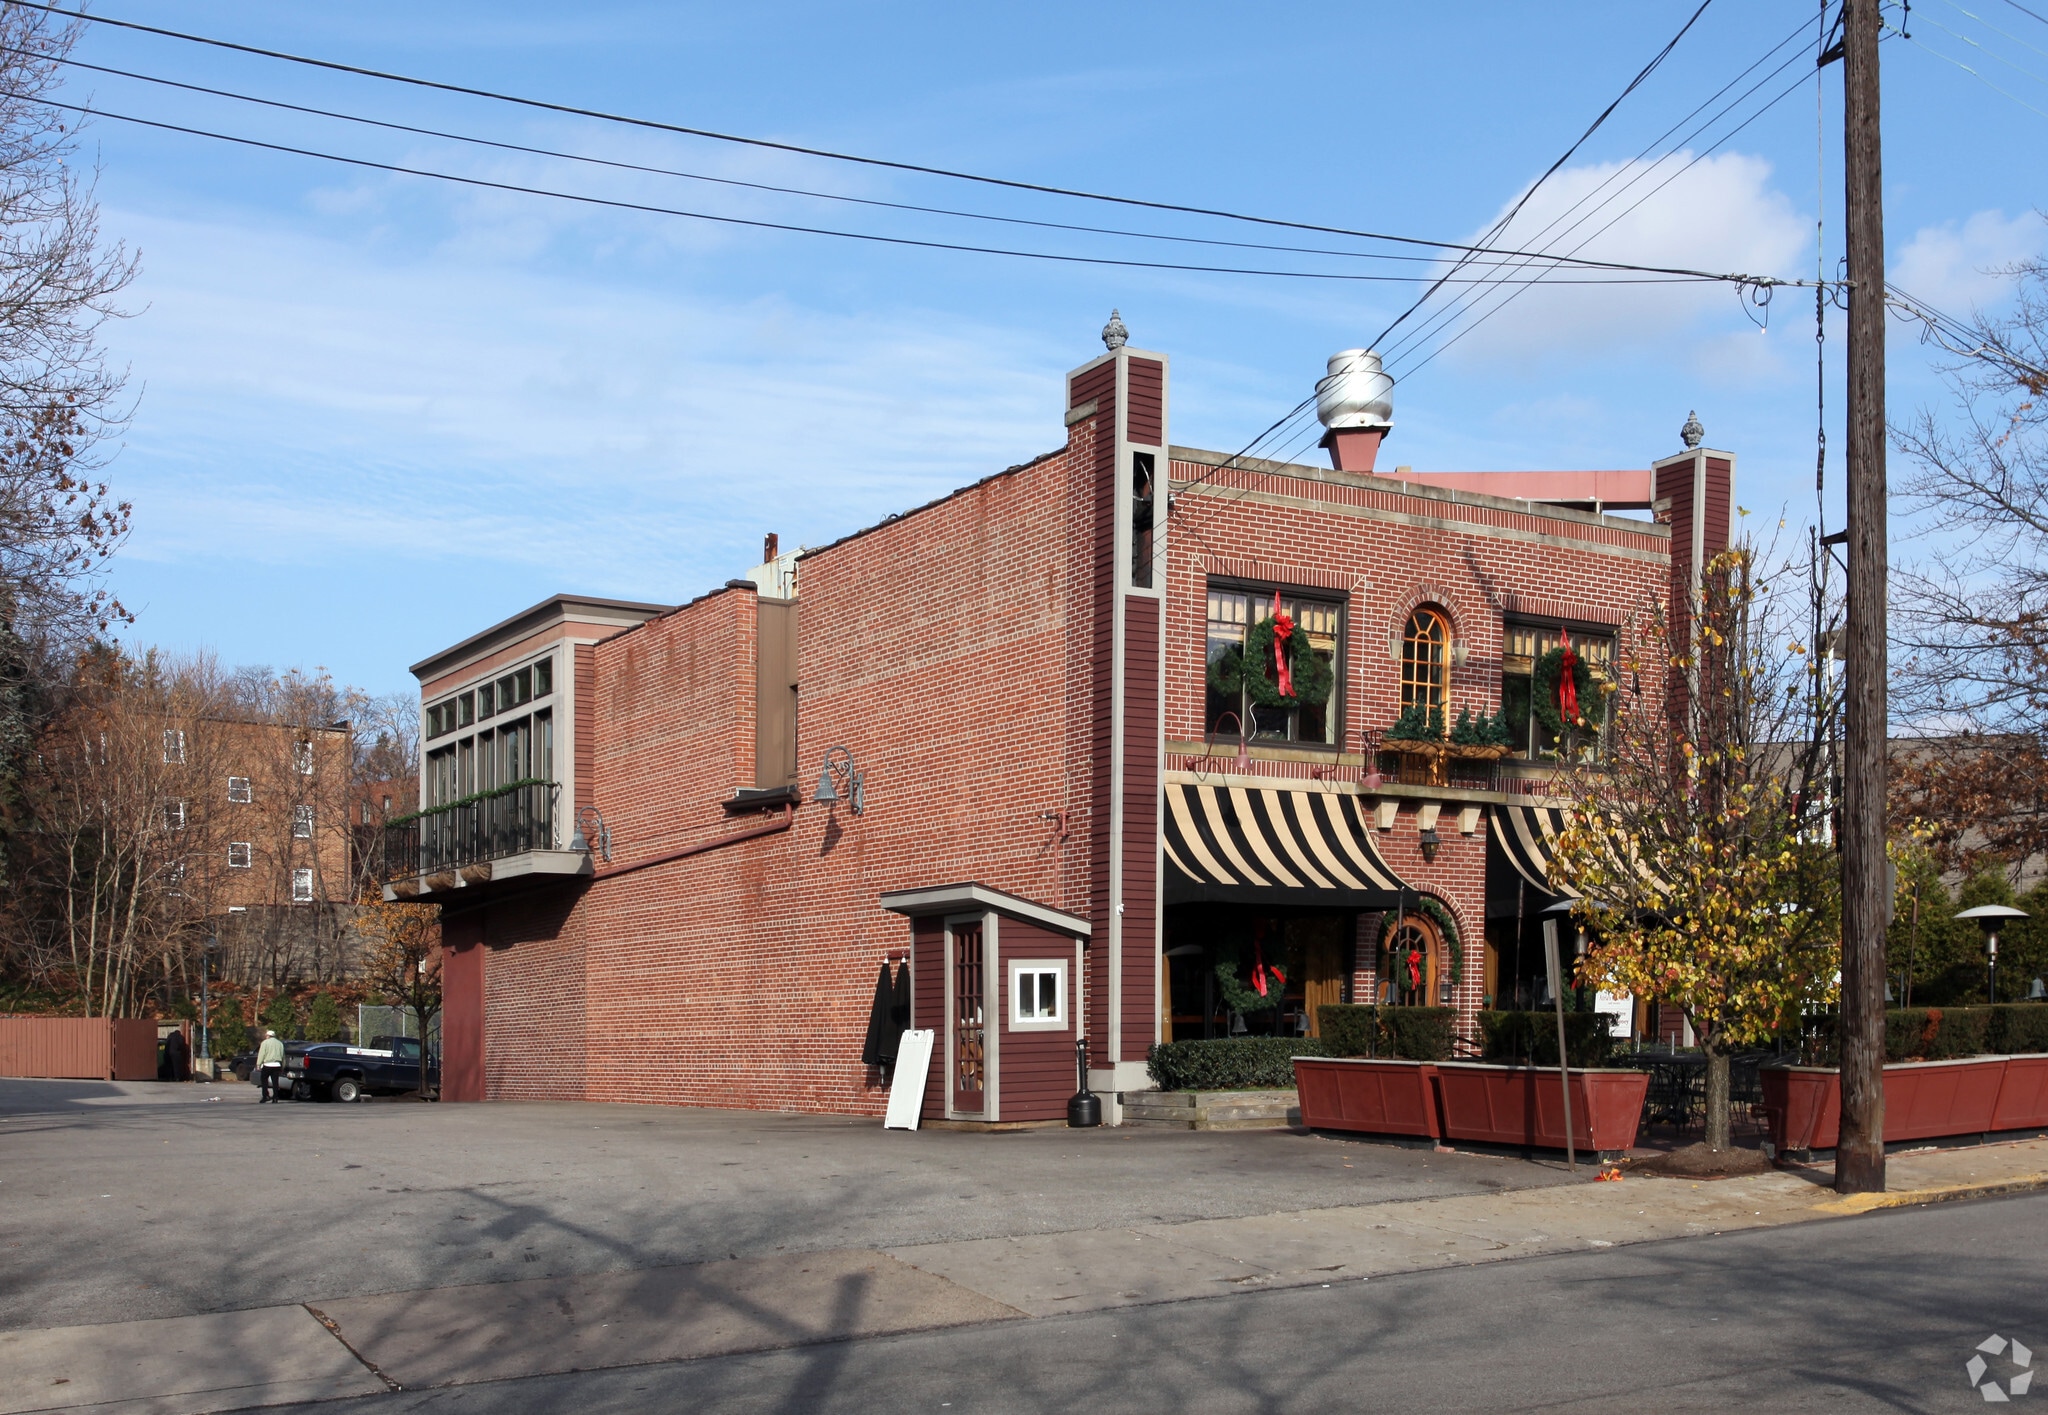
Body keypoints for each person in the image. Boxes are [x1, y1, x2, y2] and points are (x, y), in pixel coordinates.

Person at [254, 1029, 286, 1103]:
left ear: (268, 1036)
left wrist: (258, 1064)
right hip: (277, 1065)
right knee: (275, 1082)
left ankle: (265, 1096)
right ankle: (275, 1097)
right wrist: (283, 1066)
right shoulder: (280, 1043)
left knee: (264, 1081)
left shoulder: (265, 1043)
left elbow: (261, 1054)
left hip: (267, 1064)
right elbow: (283, 1056)